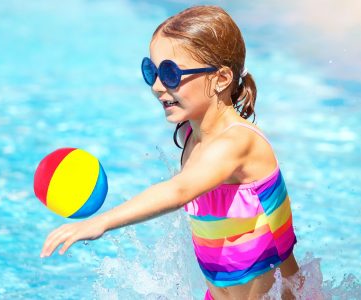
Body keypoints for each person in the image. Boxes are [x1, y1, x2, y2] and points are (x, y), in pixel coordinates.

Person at [41, 5, 300, 299]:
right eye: (151, 71)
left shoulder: (238, 142)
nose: (156, 86)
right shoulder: (192, 134)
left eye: (170, 74)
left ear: (221, 78)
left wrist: (101, 222)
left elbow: (178, 191)